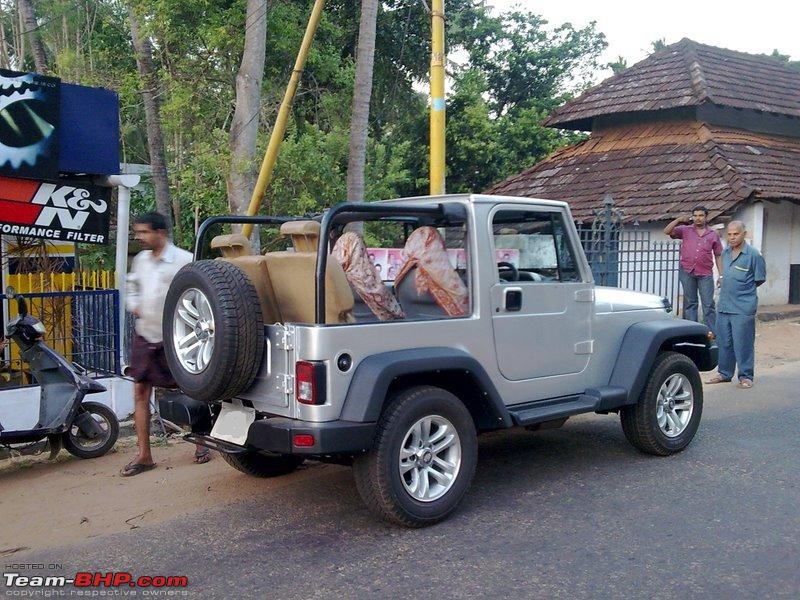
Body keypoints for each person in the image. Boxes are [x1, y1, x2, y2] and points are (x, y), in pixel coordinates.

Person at [120, 212, 211, 476]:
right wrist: (134, 305)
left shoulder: (184, 260)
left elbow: (200, 295)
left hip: (179, 337)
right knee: (140, 390)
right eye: (138, 232)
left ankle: (201, 443)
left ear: (160, 232)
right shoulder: (140, 261)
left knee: (195, 388)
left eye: (144, 232)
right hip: (145, 334)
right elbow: (132, 287)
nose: (140, 237)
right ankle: (144, 454)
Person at [706, 221, 766, 389]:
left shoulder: (753, 255)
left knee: (743, 343)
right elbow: (725, 274)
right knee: (724, 341)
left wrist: (742, 291)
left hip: (743, 307)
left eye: (736, 234)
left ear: (744, 234)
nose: (732, 237)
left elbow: (759, 279)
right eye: (729, 234)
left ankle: (746, 376)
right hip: (724, 305)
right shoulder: (724, 253)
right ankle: (724, 373)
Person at [664, 205, 723, 332]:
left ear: (706, 217)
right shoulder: (685, 230)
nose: (698, 218)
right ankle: (692, 331)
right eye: (695, 215)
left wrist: (721, 275)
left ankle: (712, 333)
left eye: (701, 215)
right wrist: (679, 219)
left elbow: (718, 255)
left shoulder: (713, 234)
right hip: (687, 271)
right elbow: (667, 231)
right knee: (690, 304)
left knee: (708, 304)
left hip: (705, 274)